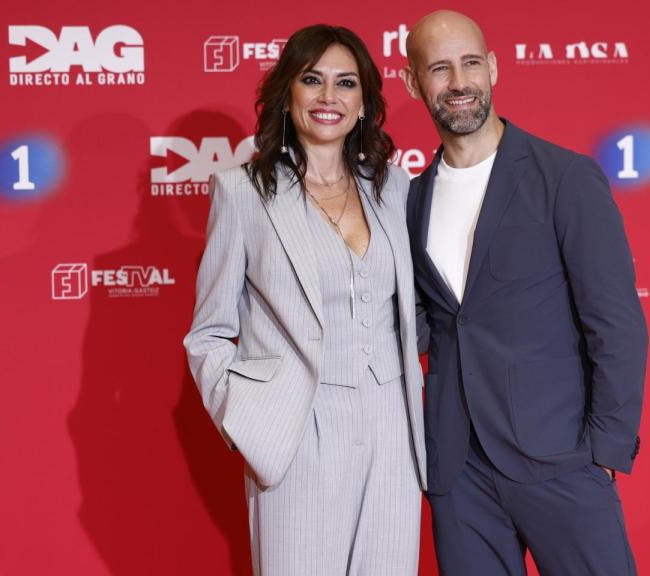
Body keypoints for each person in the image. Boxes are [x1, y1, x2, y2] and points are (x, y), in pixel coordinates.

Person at [399, 10, 648, 576]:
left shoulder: (564, 178)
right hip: (458, 471)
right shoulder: (409, 200)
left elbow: (617, 325)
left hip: (561, 458)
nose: (458, 82)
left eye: (470, 63)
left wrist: (605, 452)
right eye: (439, 68)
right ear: (414, 83)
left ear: (492, 68)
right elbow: (420, 324)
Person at [184, 24, 426, 576]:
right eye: (312, 80)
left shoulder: (394, 187)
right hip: (296, 427)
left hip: (393, 428)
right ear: (287, 94)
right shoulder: (242, 192)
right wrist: (248, 421)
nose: (328, 96)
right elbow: (208, 332)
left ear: (363, 103)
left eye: (346, 83)